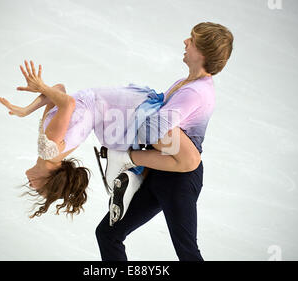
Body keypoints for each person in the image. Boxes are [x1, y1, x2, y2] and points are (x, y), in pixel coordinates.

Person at [95, 22, 234, 261]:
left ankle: (124, 159)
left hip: (178, 181)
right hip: (159, 170)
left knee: (187, 252)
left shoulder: (195, 93)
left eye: (192, 39)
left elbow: (151, 131)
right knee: (108, 233)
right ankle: (125, 159)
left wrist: (130, 132)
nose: (185, 42)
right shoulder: (187, 83)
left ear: (203, 53)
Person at [0, 60, 202, 219]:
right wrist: (41, 87)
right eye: (39, 190)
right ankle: (134, 177)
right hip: (114, 107)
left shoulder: (49, 149)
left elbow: (58, 90)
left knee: (132, 146)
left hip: (110, 107)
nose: (32, 186)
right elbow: (65, 101)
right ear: (49, 178)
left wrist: (26, 110)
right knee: (151, 144)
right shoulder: (49, 150)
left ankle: (133, 178)